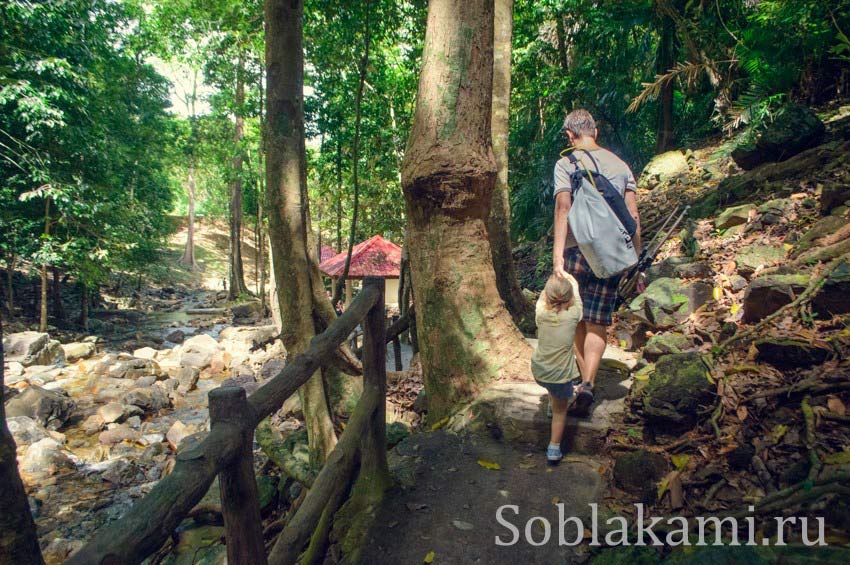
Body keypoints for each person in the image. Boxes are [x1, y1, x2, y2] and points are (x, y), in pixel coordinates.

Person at [552, 109, 641, 417]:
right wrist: (635, 259)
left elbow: (564, 208)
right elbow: (633, 217)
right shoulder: (621, 166)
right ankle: (589, 382)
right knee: (597, 321)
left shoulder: (566, 163)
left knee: (575, 318)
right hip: (611, 254)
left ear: (570, 135)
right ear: (595, 131)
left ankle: (581, 382)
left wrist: (557, 257)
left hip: (577, 250)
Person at [531, 274, 583, 464]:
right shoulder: (573, 316)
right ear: (570, 298)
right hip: (560, 376)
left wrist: (552, 282)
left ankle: (552, 406)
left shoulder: (541, 315)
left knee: (552, 388)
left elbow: (542, 299)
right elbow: (577, 301)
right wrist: (574, 284)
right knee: (562, 410)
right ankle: (554, 448)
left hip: (539, 371)